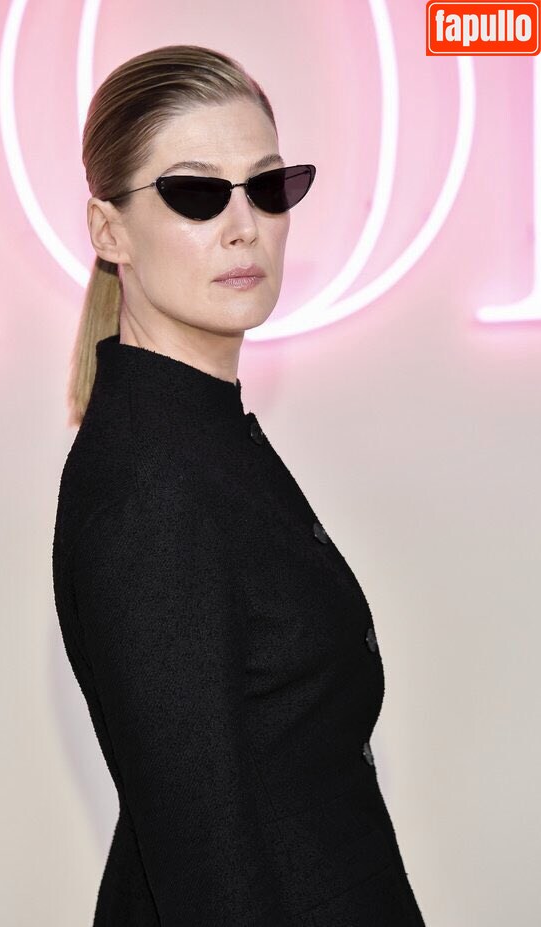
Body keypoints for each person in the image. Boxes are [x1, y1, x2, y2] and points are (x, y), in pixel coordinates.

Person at [52, 43, 426, 927]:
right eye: (194, 193)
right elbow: (207, 866)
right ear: (109, 231)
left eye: (267, 186)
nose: (244, 225)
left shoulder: (202, 436)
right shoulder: (152, 485)